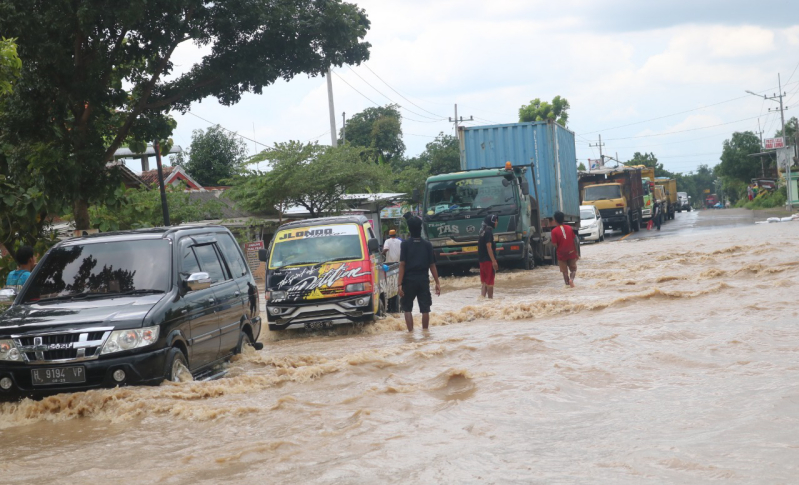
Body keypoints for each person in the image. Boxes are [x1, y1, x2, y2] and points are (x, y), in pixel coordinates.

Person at [398, 217, 441, 332]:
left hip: (408, 280)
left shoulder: (405, 245)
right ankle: (425, 333)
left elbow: (402, 264)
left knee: (407, 308)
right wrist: (437, 282)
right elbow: (432, 265)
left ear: (409, 230)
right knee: (425, 309)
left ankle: (410, 334)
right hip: (423, 279)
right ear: (420, 228)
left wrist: (399, 284)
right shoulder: (427, 245)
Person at [549, 212, 579, 288]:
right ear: (563, 219)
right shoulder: (569, 228)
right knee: (573, 269)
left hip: (561, 254)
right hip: (571, 252)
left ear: (555, 220)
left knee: (564, 272)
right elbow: (574, 240)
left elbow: (555, 244)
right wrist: (576, 253)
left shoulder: (554, 231)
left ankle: (567, 285)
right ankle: (571, 279)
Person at [478, 214, 498, 299]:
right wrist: (493, 261)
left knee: (484, 282)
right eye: (496, 221)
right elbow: (489, 246)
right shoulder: (489, 232)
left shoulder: (482, 231)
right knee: (490, 282)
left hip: (481, 261)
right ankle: (490, 301)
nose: (497, 223)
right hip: (488, 261)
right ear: (492, 221)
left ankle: (482, 300)